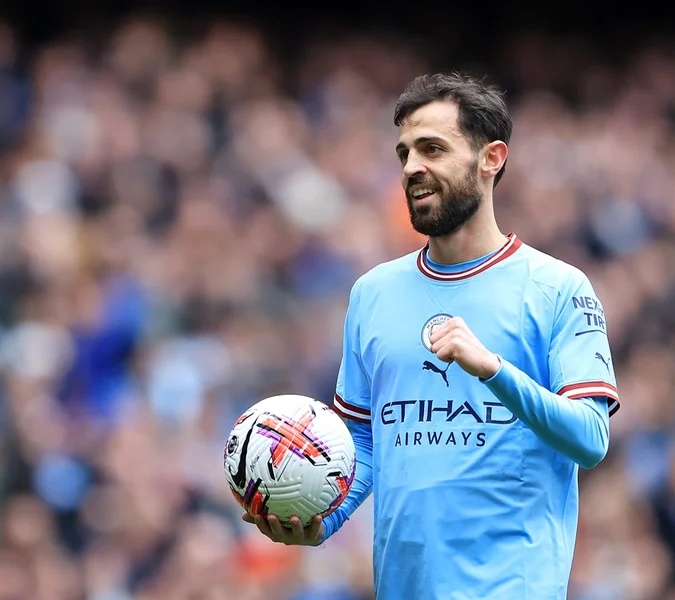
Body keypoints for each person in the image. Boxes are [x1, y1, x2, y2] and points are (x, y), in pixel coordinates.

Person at [242, 72, 621, 599]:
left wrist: (493, 370)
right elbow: (365, 442)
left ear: (491, 159)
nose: (412, 167)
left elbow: (590, 439)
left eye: (433, 149)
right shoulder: (372, 293)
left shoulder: (557, 288)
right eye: (404, 153)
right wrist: (323, 521)